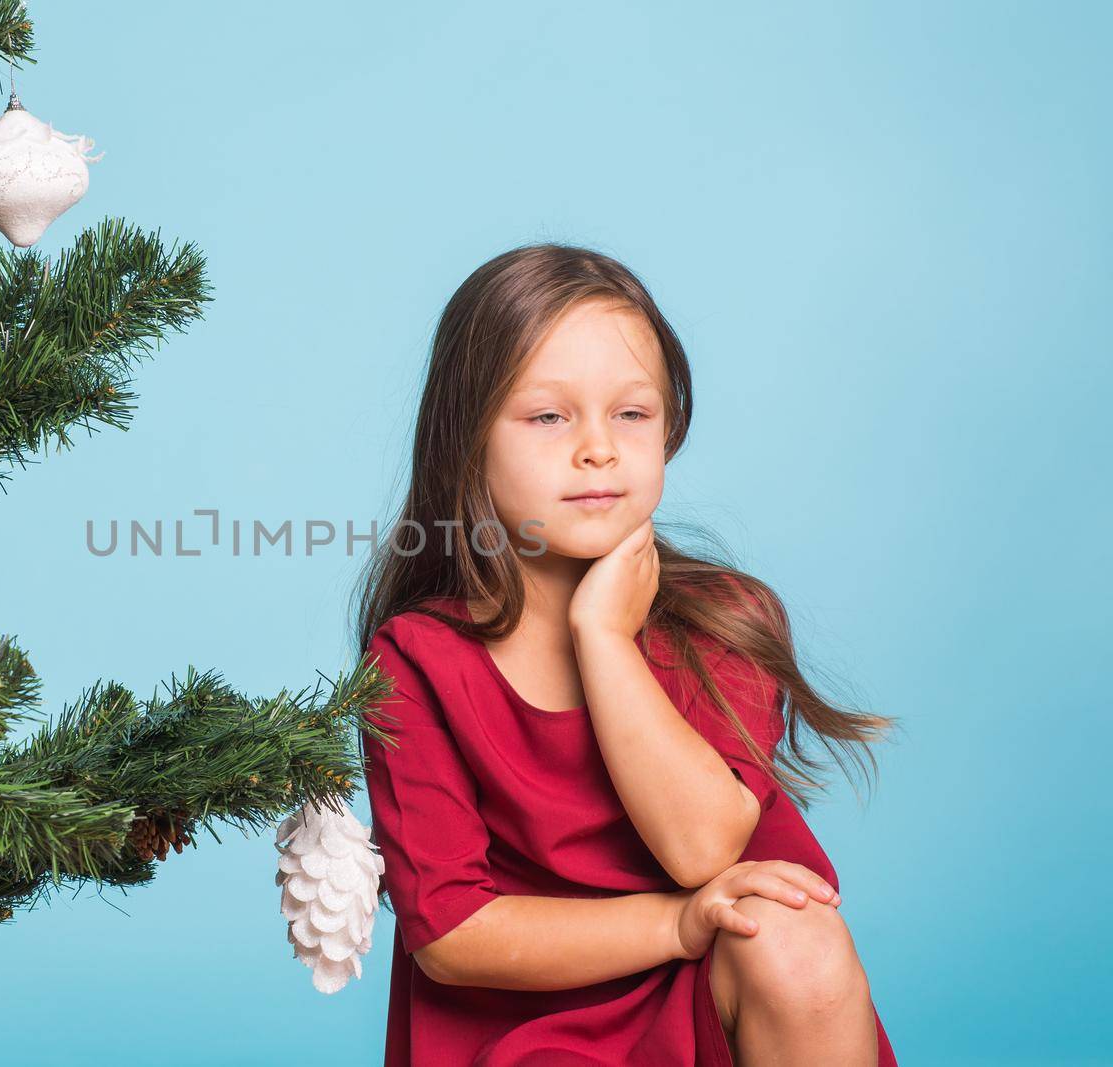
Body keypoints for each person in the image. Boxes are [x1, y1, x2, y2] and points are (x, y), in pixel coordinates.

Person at [352, 244, 901, 1066]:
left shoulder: (725, 619)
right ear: (467, 442)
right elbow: (454, 932)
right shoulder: (416, 660)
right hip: (521, 1018)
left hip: (709, 979)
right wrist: (671, 922)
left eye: (632, 414)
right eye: (549, 416)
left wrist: (603, 637)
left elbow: (704, 851)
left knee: (796, 943)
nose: (598, 450)